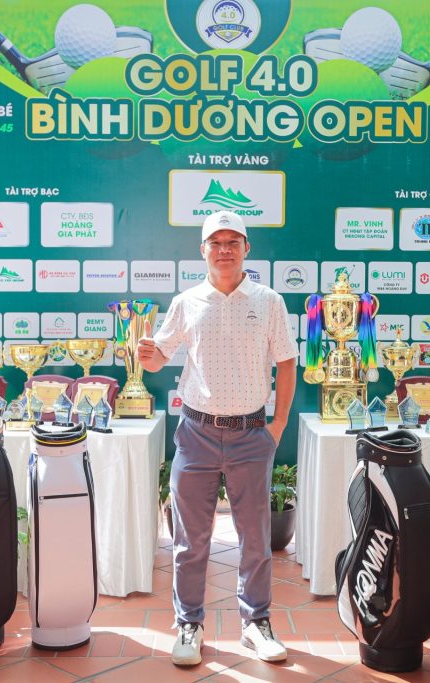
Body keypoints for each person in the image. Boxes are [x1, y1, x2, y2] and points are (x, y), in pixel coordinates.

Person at [137, 210, 298, 667]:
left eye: (232, 242)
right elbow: (158, 358)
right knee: (190, 541)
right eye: (215, 242)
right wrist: (147, 355)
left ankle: (255, 624)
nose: (224, 250)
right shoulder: (187, 302)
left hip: (251, 434)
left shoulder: (269, 301)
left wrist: (278, 425)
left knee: (256, 539)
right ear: (203, 250)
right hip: (196, 435)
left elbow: (287, 362)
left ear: (247, 248)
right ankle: (189, 624)